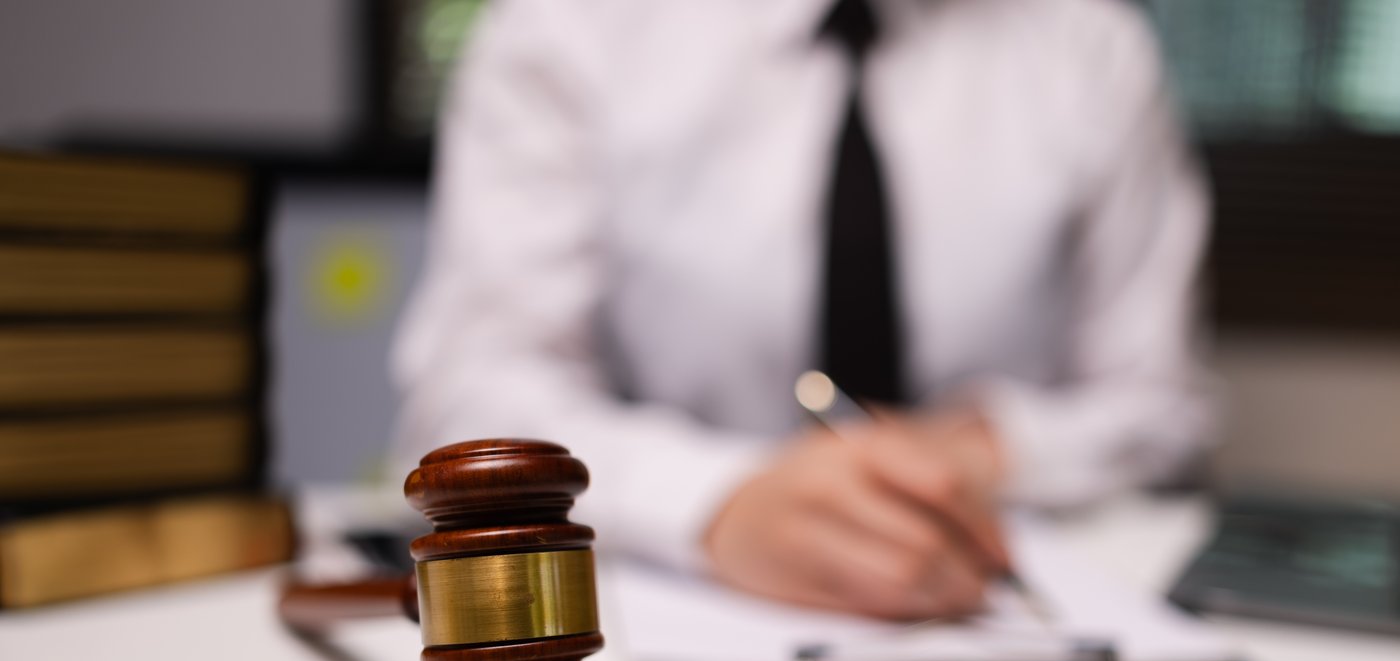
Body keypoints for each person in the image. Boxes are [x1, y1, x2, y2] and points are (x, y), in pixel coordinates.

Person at [392, 0, 1215, 620]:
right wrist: (714, 502)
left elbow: (1162, 405)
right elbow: (471, 392)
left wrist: (987, 450)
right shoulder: (565, 30)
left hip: (1000, 606)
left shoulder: (1090, 46)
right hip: (667, 624)